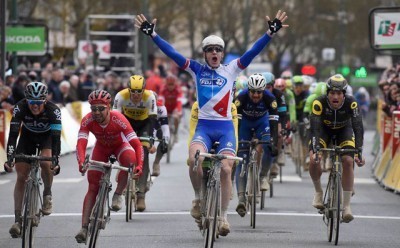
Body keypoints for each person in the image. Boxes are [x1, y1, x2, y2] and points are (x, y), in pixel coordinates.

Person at [135, 10, 288, 236]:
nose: (214, 53)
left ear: (222, 54)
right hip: (204, 127)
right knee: (193, 160)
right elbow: (173, 53)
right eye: (210, 50)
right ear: (205, 54)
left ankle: (224, 216)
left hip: (226, 128)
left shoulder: (232, 68)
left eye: (218, 50)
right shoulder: (197, 69)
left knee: (226, 169)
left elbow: (253, 51)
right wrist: (153, 35)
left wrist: (270, 33)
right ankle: (198, 198)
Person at [74, 90, 144, 243]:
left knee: (130, 160)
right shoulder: (87, 120)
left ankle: (118, 193)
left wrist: (139, 165)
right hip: (101, 149)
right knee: (93, 185)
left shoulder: (119, 119)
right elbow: (81, 143)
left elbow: (137, 145)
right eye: (93, 109)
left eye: (101, 108)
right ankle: (84, 228)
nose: (97, 112)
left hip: (120, 146)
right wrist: (81, 162)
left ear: (109, 107)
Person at [4, 82, 61, 238]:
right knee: (21, 176)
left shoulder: (53, 111)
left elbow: (56, 139)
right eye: (31, 102)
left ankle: (47, 193)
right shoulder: (19, 108)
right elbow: (13, 135)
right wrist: (10, 157)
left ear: (44, 100)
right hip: (27, 137)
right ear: (26, 100)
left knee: (45, 162)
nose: (34, 106)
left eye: (38, 102)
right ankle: (17, 220)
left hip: (47, 138)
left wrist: (55, 159)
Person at [309, 74, 365, 223]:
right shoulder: (318, 103)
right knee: (313, 160)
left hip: (343, 131)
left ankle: (346, 206)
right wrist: (316, 150)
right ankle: (318, 192)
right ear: (327, 93)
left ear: (343, 95)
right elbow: (314, 129)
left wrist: (359, 151)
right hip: (323, 130)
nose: (335, 96)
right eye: (332, 93)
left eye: (339, 93)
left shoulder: (352, 103)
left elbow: (358, 127)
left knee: (347, 160)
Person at [234, 73, 279, 217]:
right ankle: (241, 198)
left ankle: (262, 176)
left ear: (263, 90)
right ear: (248, 89)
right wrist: (236, 141)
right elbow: (236, 122)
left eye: (259, 92)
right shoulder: (241, 98)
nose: (255, 95)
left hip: (262, 123)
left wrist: (273, 142)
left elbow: (273, 123)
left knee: (267, 146)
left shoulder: (270, 99)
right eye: (253, 91)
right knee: (242, 158)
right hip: (245, 124)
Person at [113, 75, 158, 211]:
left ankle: (141, 195)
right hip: (127, 123)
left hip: (144, 124)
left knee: (143, 154)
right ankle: (123, 167)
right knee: (124, 149)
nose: (136, 94)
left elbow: (152, 121)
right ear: (129, 89)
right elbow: (115, 119)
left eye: (140, 91)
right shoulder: (120, 96)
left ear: (144, 90)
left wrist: (151, 139)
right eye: (133, 91)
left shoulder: (150, 97)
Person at [158, 74, 183, 143]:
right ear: (166, 83)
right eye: (169, 84)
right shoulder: (163, 89)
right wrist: (161, 110)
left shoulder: (178, 89)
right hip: (166, 108)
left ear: (175, 84)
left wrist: (178, 110)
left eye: (172, 84)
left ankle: (175, 133)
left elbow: (179, 101)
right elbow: (160, 100)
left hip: (175, 108)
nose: (170, 86)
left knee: (176, 117)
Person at [151, 95, 170, 177]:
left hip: (156, 125)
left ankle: (156, 162)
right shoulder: (142, 104)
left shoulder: (161, 107)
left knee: (164, 142)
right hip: (143, 124)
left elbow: (165, 126)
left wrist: (165, 140)